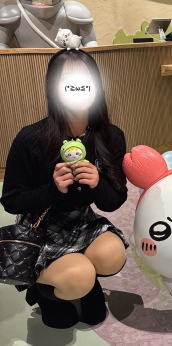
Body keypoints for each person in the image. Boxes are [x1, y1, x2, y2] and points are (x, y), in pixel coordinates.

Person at [1, 47, 129, 329]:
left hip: (81, 221)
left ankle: (85, 280)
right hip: (42, 227)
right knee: (76, 279)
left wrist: (96, 183)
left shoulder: (110, 136)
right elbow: (11, 200)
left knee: (112, 255)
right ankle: (44, 291)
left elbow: (114, 200)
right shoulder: (32, 138)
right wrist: (53, 189)